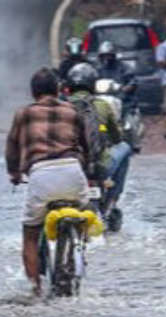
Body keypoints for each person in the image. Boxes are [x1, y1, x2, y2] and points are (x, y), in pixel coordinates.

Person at [5, 67, 91, 295]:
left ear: (33, 93)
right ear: (58, 90)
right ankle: (77, 253)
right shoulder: (72, 111)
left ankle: (35, 290)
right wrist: (87, 173)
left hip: (41, 175)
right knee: (83, 216)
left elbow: (12, 148)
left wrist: (14, 173)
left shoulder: (23, 114)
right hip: (72, 171)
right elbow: (86, 146)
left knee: (30, 235)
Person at [65, 63, 132, 224]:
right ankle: (111, 201)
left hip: (67, 167)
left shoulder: (61, 106)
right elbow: (117, 138)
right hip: (99, 166)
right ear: (92, 84)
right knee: (125, 148)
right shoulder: (102, 105)